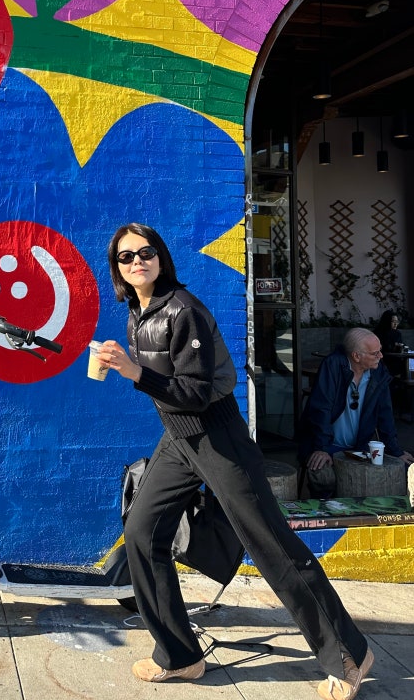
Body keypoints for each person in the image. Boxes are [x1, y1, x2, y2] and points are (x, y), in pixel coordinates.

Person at [98, 222, 373, 700]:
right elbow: (170, 393)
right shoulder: (137, 313)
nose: (137, 261)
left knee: (272, 546)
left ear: (161, 257)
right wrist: (126, 365)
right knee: (143, 532)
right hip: (179, 438)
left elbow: (199, 392)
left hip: (218, 436)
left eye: (146, 252)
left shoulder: (184, 309)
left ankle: (348, 654)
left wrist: (135, 372)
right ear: (117, 268)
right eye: (126, 256)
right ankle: (180, 656)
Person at [298, 329, 414, 495]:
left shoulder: (379, 372)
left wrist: (396, 451)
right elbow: (320, 410)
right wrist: (321, 448)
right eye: (375, 353)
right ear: (356, 356)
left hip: (359, 448)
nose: (381, 356)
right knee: (323, 477)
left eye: (380, 350)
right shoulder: (333, 365)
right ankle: (328, 511)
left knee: (389, 474)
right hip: (326, 444)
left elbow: (385, 415)